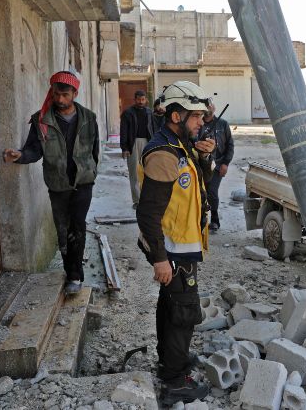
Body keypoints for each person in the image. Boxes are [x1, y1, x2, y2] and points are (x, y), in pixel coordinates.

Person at [135, 80, 216, 404]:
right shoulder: (164, 154)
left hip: (181, 246)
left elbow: (199, 186)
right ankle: (175, 381)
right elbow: (148, 213)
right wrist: (159, 258)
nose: (200, 122)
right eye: (195, 116)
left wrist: (204, 158)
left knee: (171, 305)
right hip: (171, 250)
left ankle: (171, 360)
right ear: (176, 116)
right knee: (183, 312)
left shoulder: (180, 147)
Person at [3, 71, 99, 295]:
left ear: (75, 94)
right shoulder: (41, 120)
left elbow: (94, 150)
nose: (60, 99)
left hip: (83, 182)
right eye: (56, 95)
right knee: (63, 229)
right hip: (57, 184)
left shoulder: (89, 118)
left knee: (78, 226)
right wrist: (20, 155)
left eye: (65, 95)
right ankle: (70, 269)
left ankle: (75, 276)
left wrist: (92, 171)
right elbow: (33, 150)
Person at [120, 89, 157, 209]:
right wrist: (124, 148)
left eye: (143, 99)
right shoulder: (128, 113)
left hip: (148, 143)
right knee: (134, 172)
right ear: (135, 100)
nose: (141, 102)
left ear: (145, 100)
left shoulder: (149, 112)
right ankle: (137, 200)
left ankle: (146, 199)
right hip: (133, 143)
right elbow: (123, 131)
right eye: (138, 99)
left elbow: (154, 129)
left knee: (148, 171)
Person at [201, 100, 234, 231]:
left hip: (218, 164)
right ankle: (201, 218)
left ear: (214, 107)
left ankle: (215, 219)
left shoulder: (223, 124)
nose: (208, 107)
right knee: (201, 192)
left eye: (210, 105)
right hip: (202, 164)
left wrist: (225, 163)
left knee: (212, 192)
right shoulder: (198, 124)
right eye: (206, 105)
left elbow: (230, 145)